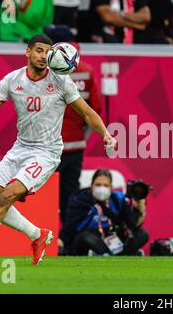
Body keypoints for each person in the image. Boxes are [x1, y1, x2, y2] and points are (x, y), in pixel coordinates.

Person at [0, 35, 116, 265]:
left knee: (6, 197)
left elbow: (88, 113)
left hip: (47, 153)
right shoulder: (12, 80)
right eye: (39, 51)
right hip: (20, 148)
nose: (43, 56)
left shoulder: (61, 82)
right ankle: (37, 235)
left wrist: (105, 134)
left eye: (47, 51)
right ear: (28, 52)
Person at [58, 42, 102, 226]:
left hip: (49, 146)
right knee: (70, 197)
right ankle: (68, 241)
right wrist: (83, 135)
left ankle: (46, 241)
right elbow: (95, 108)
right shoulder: (86, 71)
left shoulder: (50, 71)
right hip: (75, 146)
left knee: (42, 195)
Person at [59, 169, 149, 256]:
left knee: (142, 233)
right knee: (85, 238)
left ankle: (115, 255)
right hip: (91, 238)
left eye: (106, 185)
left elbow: (132, 225)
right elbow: (69, 227)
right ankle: (123, 255)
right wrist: (61, 241)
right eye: (98, 185)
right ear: (91, 186)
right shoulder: (80, 200)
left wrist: (140, 207)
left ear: (111, 188)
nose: (102, 188)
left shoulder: (118, 200)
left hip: (114, 239)